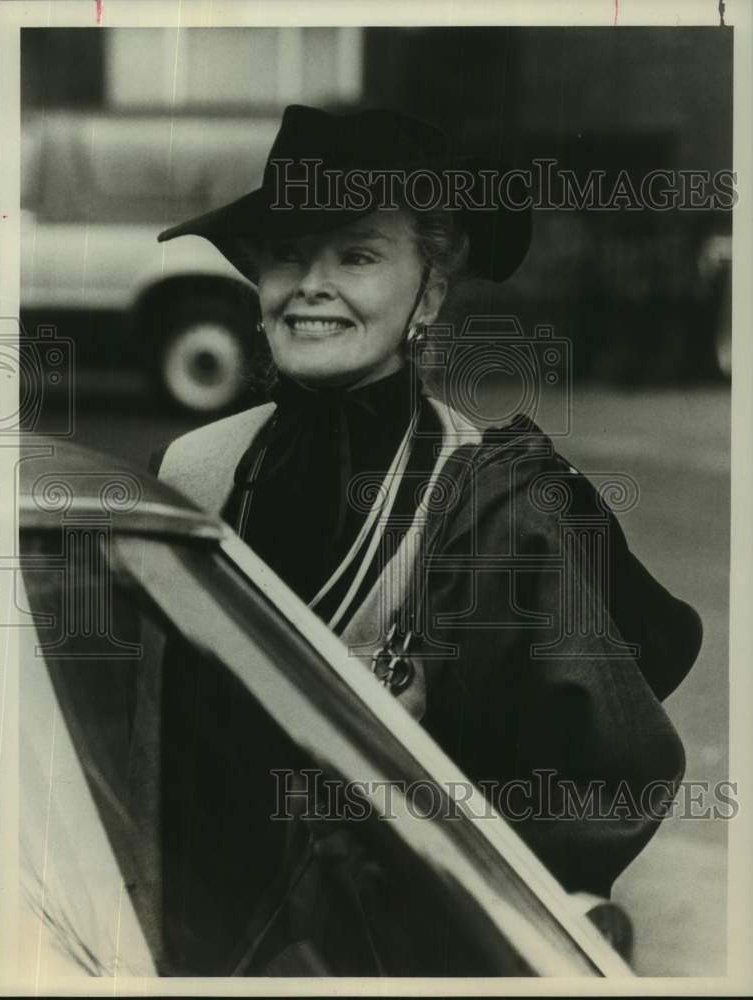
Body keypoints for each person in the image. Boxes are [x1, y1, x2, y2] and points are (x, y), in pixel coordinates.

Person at [153, 105, 702, 933]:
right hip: (206, 925)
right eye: (289, 254)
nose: (311, 285)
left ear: (429, 292)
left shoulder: (500, 499)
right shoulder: (193, 470)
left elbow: (599, 780)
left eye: (359, 255)